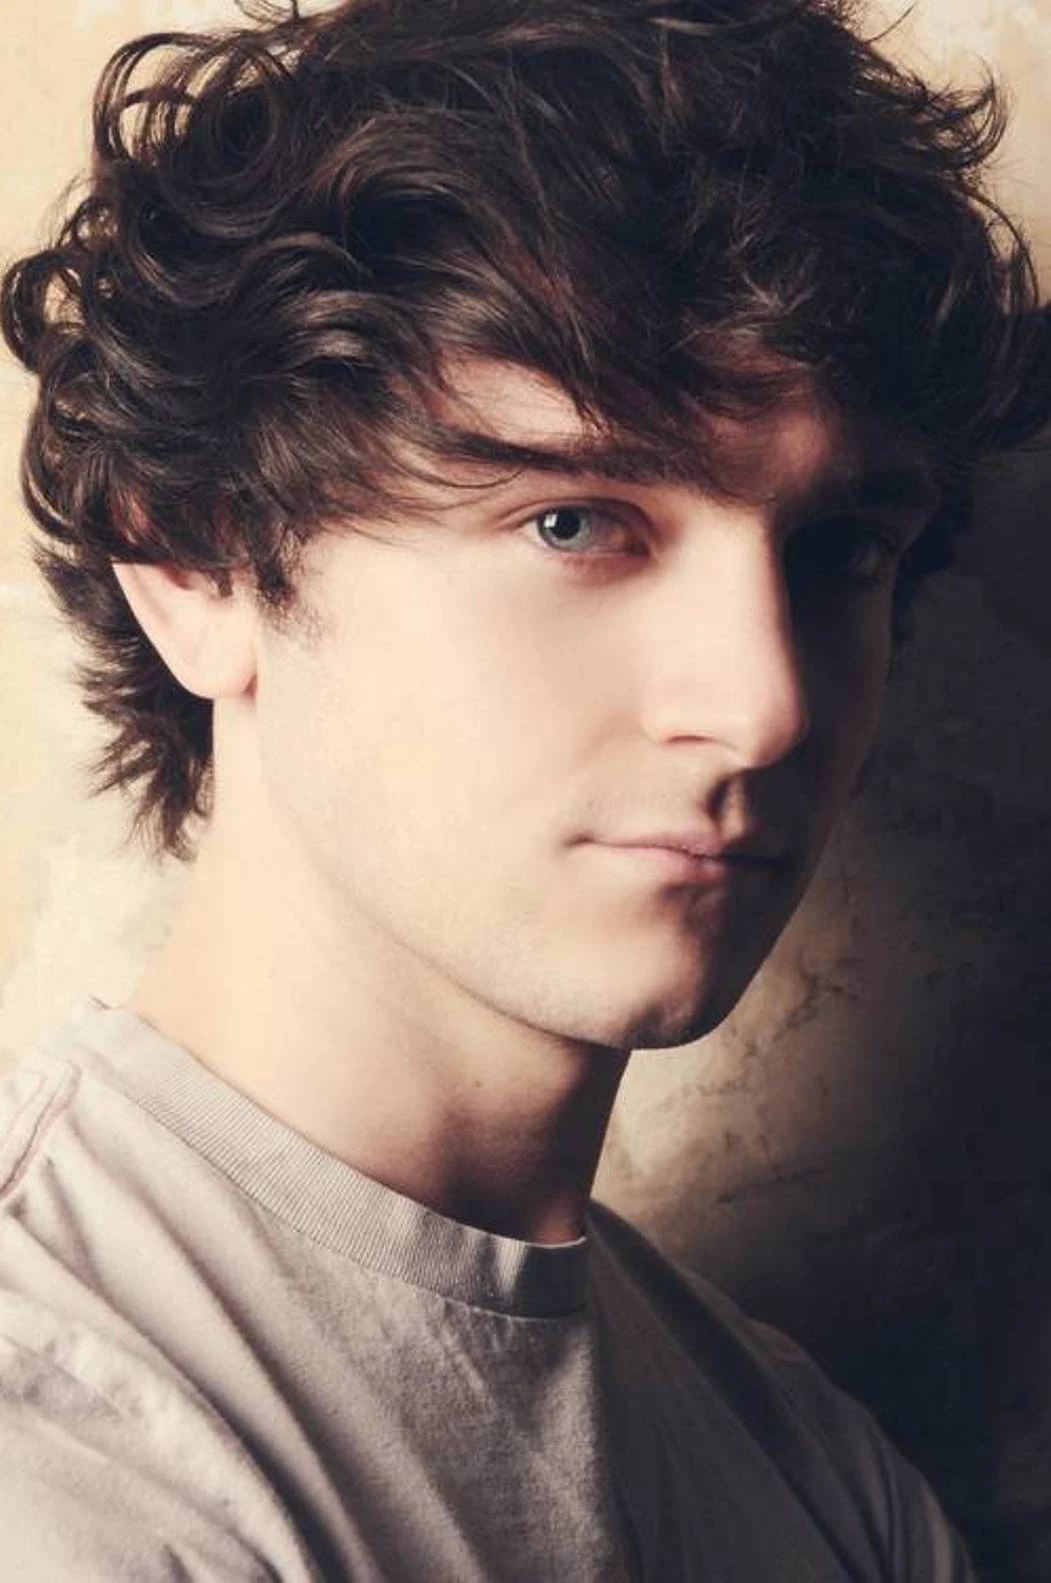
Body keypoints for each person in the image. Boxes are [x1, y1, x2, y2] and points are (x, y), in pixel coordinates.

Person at [0, 0, 1046, 1577]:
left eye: (840, 550)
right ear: (198, 560)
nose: (764, 706)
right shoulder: (57, 1441)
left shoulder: (822, 1477)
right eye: (573, 521)